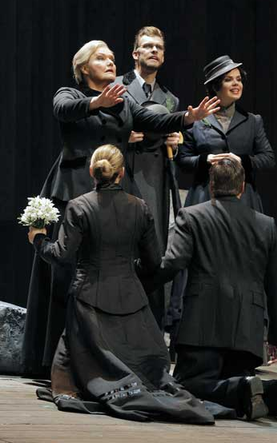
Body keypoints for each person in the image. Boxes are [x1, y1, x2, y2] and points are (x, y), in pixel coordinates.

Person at [22, 39, 220, 375]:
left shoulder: (124, 100)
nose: (110, 62)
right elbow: (62, 111)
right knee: (67, 275)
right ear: (84, 68)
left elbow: (151, 120)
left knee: (111, 275)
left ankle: (103, 357)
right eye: (101, 58)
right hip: (74, 191)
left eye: (112, 58)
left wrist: (189, 118)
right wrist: (97, 102)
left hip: (112, 196)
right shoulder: (68, 94)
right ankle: (53, 360)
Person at [26, 144, 216, 424]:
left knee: (73, 365)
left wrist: (39, 239)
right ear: (122, 173)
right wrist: (126, 268)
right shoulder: (140, 207)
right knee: (149, 370)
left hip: (87, 302)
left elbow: (60, 256)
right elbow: (154, 263)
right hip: (132, 301)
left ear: (92, 171)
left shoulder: (79, 206)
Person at [146, 156, 277, 421]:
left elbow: (172, 264)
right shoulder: (266, 224)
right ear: (242, 187)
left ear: (211, 186)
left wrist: (139, 281)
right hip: (247, 329)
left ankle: (244, 388)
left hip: (202, 326)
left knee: (186, 387)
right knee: (240, 382)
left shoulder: (192, 216)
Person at [115, 26, 180, 329]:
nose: (154, 50)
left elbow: (172, 144)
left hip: (154, 182)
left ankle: (150, 328)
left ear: (164, 57)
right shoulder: (116, 87)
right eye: (148, 46)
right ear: (135, 53)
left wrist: (175, 145)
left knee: (153, 252)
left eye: (159, 47)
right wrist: (122, 137)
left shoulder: (170, 100)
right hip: (121, 177)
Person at [178, 55, 275, 212]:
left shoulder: (252, 120)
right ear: (216, 86)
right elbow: (183, 160)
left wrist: (242, 160)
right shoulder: (196, 120)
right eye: (229, 79)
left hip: (243, 199)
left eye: (239, 79)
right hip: (204, 197)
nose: (236, 83)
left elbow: (268, 159)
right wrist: (205, 160)